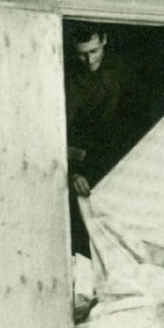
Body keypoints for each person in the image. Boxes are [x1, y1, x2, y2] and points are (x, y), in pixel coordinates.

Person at [64, 23, 144, 256]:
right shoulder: (64, 77)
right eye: (82, 54)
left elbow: (137, 121)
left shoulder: (123, 73)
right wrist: (71, 172)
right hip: (79, 167)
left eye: (94, 52)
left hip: (116, 163)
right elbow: (51, 132)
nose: (89, 61)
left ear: (105, 41)